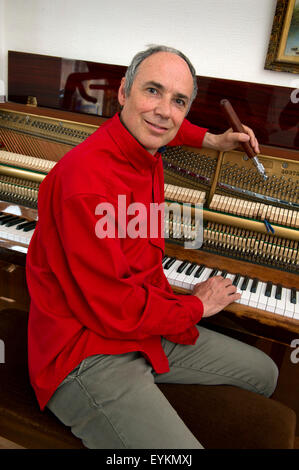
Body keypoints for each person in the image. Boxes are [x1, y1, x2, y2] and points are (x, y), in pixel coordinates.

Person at [26, 45, 278, 449]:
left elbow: (169, 124)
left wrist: (212, 139)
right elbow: (113, 309)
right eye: (152, 91)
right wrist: (196, 306)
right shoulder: (85, 183)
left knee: (265, 373)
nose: (164, 110)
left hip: (140, 325)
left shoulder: (147, 148)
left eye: (178, 100)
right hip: (86, 351)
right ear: (123, 93)